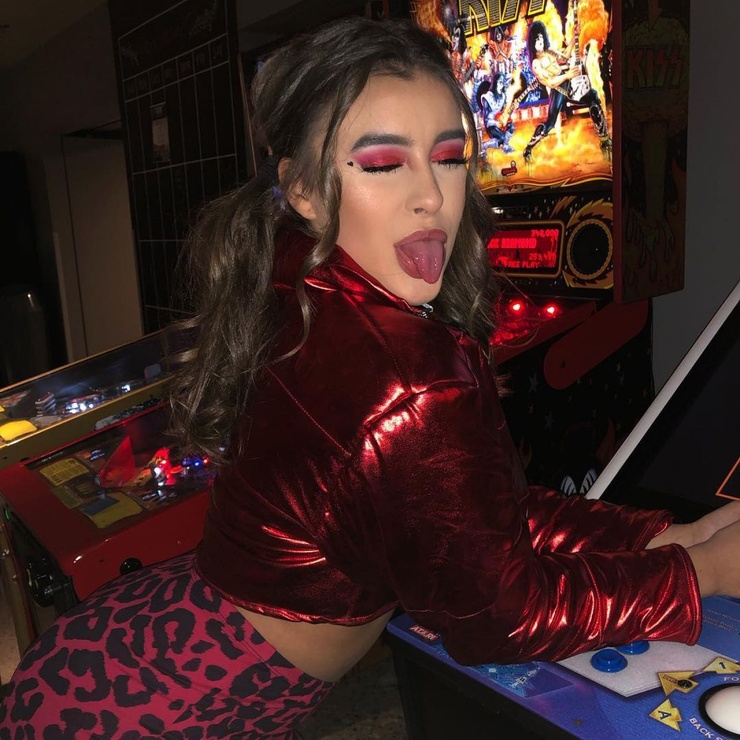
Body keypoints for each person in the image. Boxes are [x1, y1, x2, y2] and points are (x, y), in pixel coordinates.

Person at [2, 15, 740, 739]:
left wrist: (668, 534)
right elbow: (498, 617)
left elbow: (479, 516)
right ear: (302, 187)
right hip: (164, 708)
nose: (432, 196)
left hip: (125, 646)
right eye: (384, 164)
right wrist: (700, 570)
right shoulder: (411, 378)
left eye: (449, 157)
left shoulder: (296, 276)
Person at [522, 19, 611, 163]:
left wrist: (575, 36)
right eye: (536, 39)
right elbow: (550, 83)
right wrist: (567, 75)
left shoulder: (549, 52)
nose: (540, 41)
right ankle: (528, 149)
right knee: (549, 124)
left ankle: (604, 139)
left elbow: (565, 56)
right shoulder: (535, 64)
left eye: (541, 37)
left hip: (568, 85)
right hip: (558, 90)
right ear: (532, 42)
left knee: (593, 96)